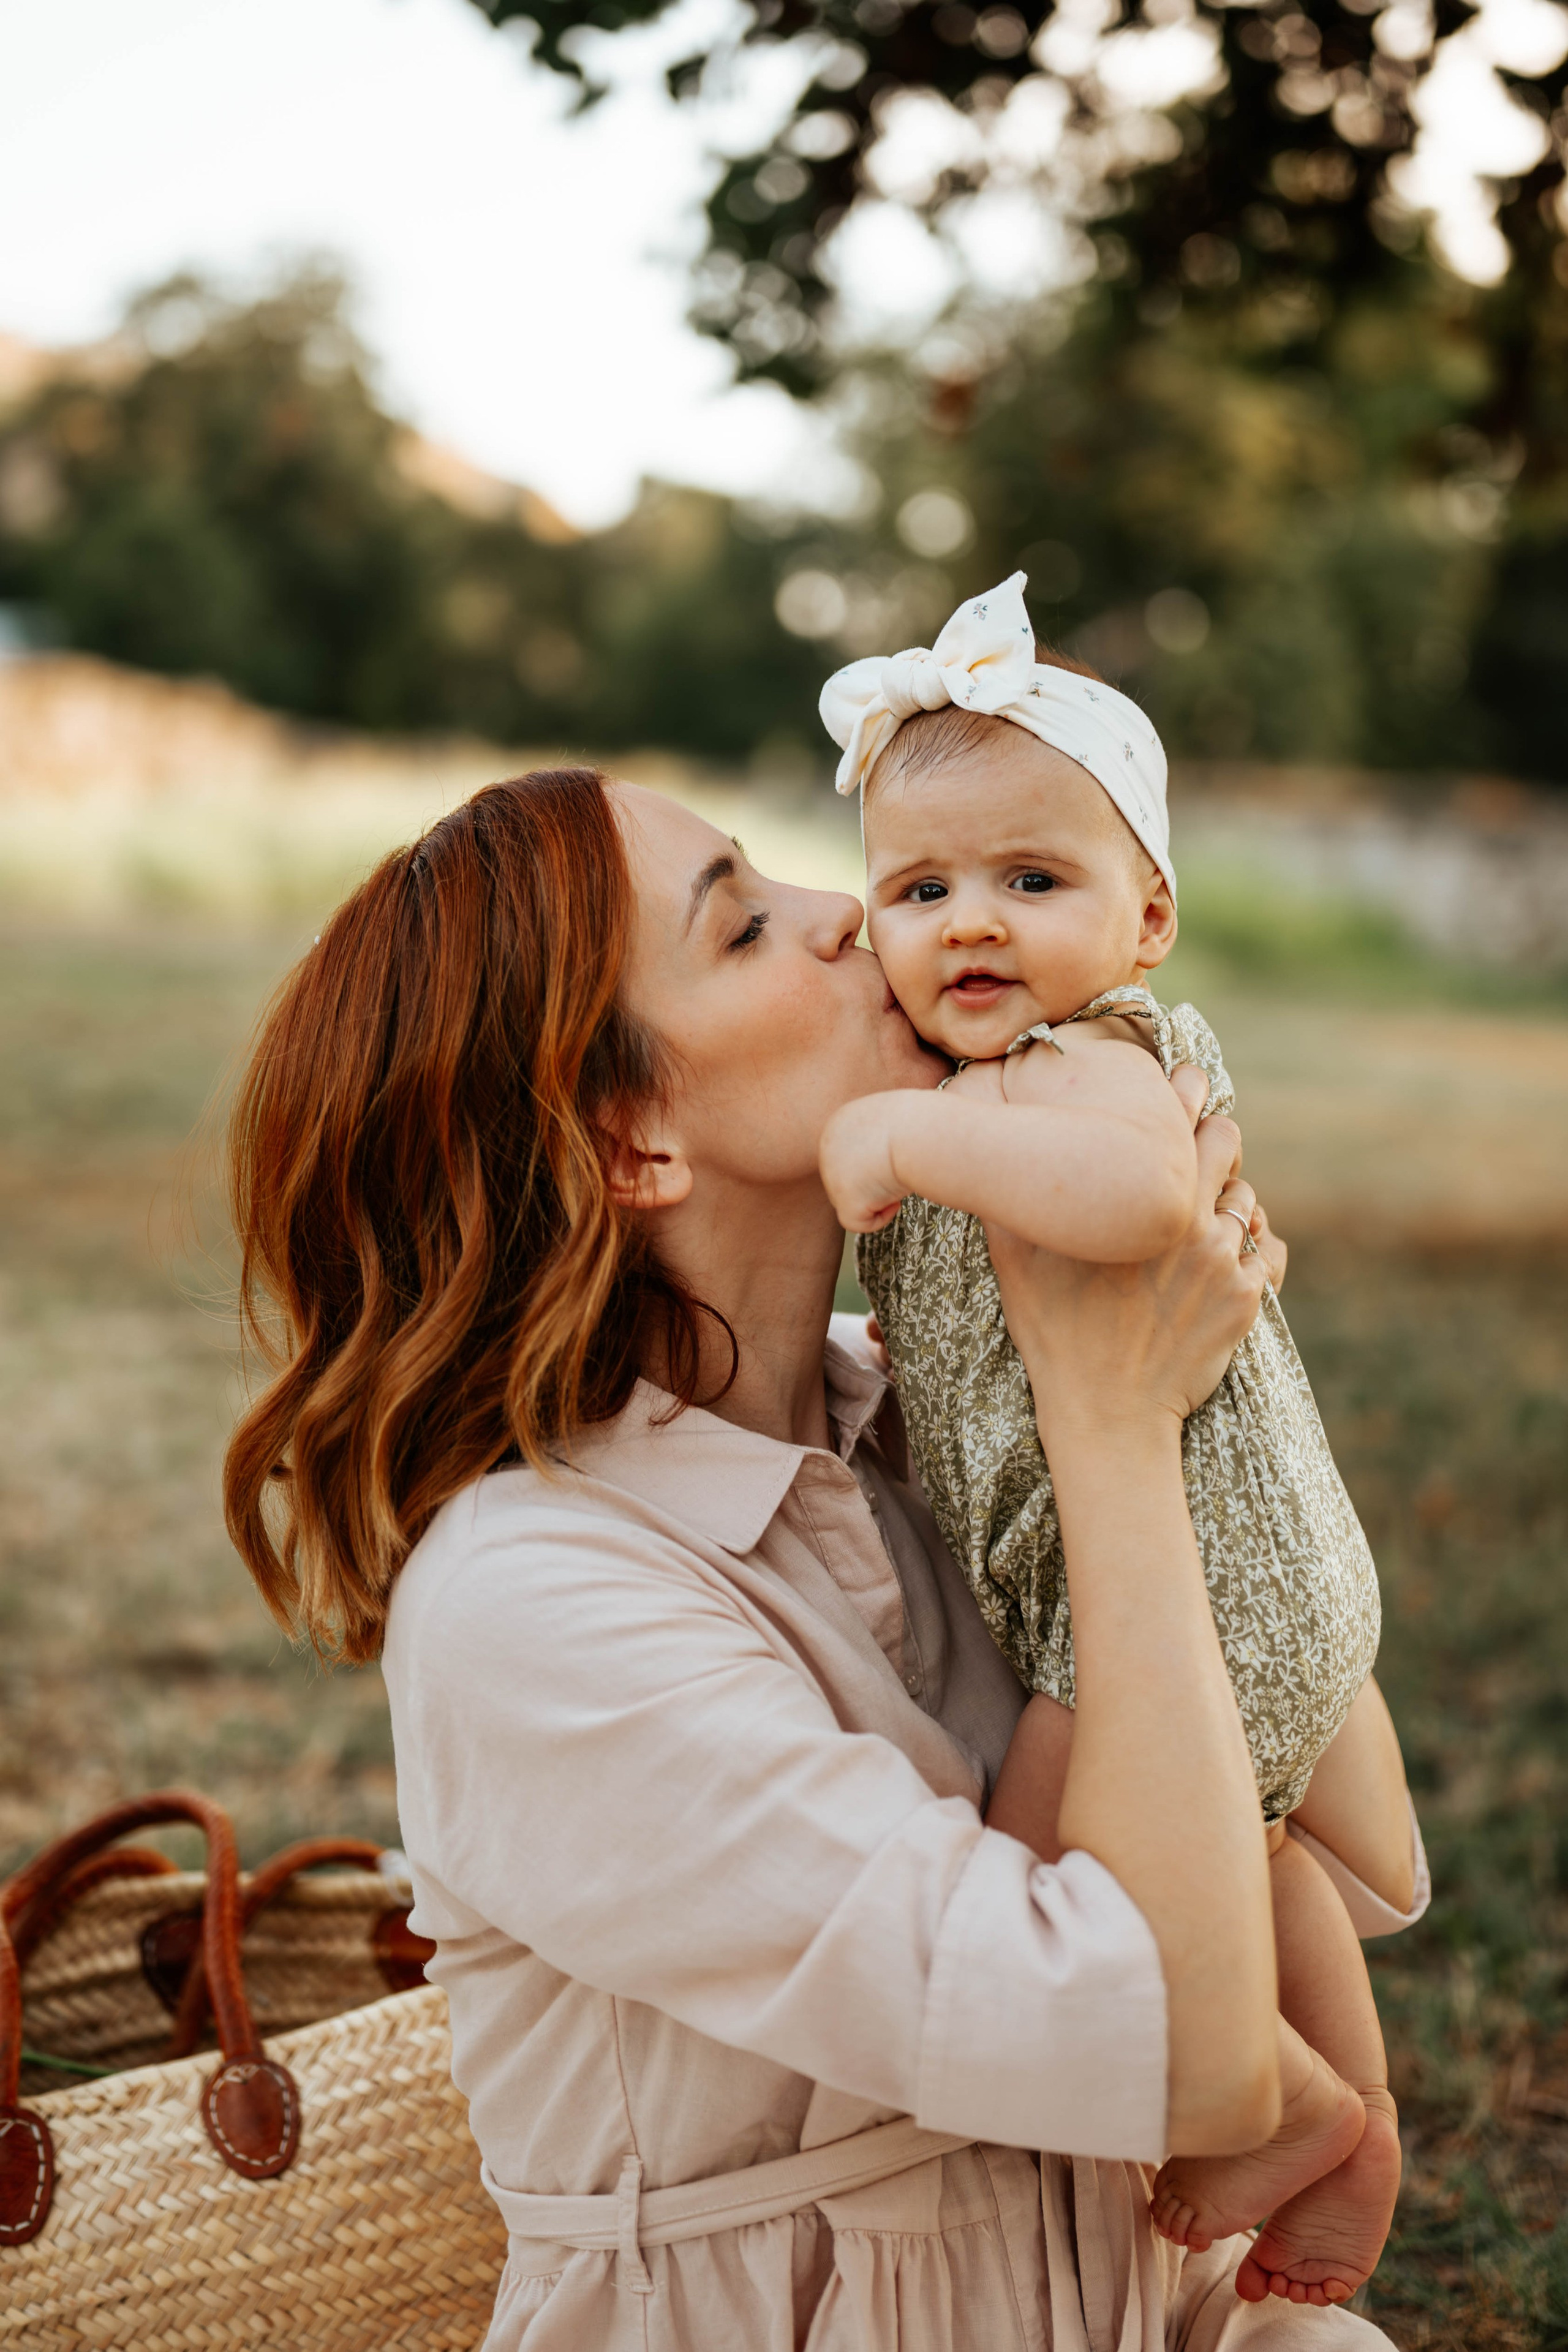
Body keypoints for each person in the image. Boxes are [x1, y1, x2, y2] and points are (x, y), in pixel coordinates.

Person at [222, 764, 1427, 2351]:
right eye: (743, 926)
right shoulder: (528, 1603)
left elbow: (1350, 1831)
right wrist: (1115, 1426)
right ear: (631, 1135)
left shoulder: (934, 1405)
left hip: (1157, 2307)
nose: (849, 914)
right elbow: (1188, 2059)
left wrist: (1214, 1403)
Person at [816, 571, 1417, 2305]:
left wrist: (903, 1142)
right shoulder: (977, 1085)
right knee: (1254, 1833)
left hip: (1187, 1584)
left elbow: (1143, 1196)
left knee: (1037, 1849)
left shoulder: (1095, 1061)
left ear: (1147, 921)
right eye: (920, 889)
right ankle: (1346, 2105)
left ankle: (1280, 2099)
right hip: (1162, 1579)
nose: (971, 925)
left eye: (1031, 879)